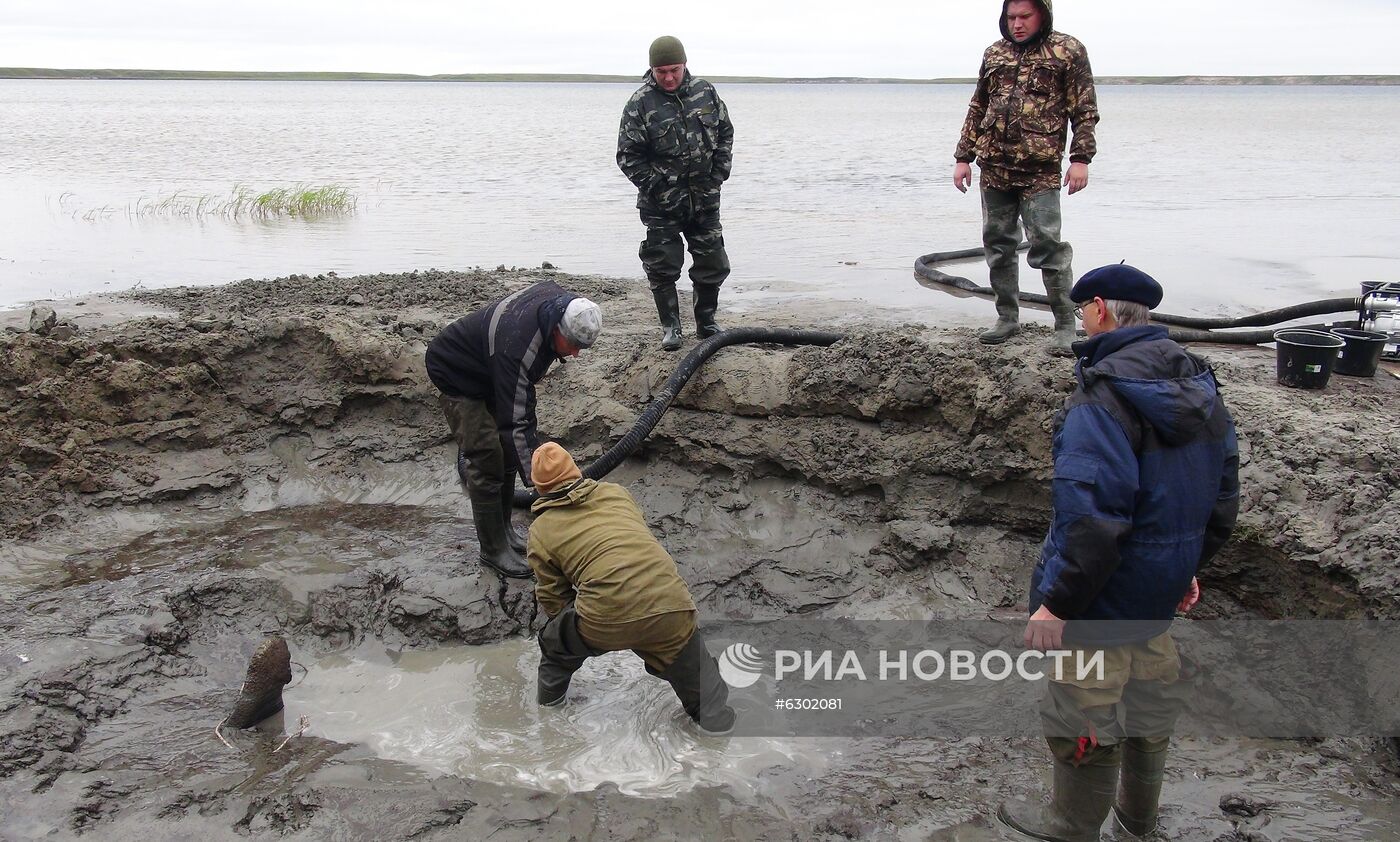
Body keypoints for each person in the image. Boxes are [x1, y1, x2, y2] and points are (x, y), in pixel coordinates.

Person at [998, 264, 1240, 841]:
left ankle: (1071, 825)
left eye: (1083, 311)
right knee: (1150, 707)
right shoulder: (1200, 387)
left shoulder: (1102, 398)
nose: (1082, 320)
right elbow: (1222, 497)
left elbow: (1093, 519)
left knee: (1082, 711)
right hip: (1157, 597)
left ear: (1100, 309)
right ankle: (1138, 822)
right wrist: (1186, 569)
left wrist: (1056, 603)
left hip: (1101, 604)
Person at [526, 442, 736, 736]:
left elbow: (552, 598)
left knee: (556, 648)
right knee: (706, 697)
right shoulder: (616, 493)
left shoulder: (541, 530)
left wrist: (577, 634)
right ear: (576, 470)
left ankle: (548, 722)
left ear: (538, 489)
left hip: (604, 615)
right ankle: (719, 741)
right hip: (671, 601)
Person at [425, 283, 601, 579]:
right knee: (486, 457)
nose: (575, 354)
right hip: (454, 370)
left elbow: (519, 404)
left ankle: (505, 530)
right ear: (556, 328)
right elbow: (515, 421)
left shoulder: (560, 305)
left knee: (507, 452)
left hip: (489, 368)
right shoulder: (518, 346)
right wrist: (543, 484)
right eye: (572, 345)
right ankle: (493, 550)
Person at [953, 0, 1099, 356]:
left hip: (1041, 171)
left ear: (1043, 15)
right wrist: (963, 157)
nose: (1016, 24)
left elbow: (1084, 109)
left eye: (1025, 16)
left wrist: (1080, 159)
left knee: (1048, 246)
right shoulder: (995, 53)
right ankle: (1007, 317)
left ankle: (1066, 325)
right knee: (997, 244)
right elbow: (978, 105)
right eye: (1011, 17)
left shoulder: (1068, 50)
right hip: (994, 168)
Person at [617, 35, 734, 351]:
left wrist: (718, 175)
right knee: (663, 265)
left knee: (713, 261)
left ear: (685, 65)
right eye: (661, 71)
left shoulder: (706, 92)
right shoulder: (640, 103)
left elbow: (725, 133)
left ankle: (706, 323)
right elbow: (627, 156)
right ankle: (671, 328)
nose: (668, 77)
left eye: (674, 70)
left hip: (705, 199)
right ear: (652, 69)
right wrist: (657, 187)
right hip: (661, 205)